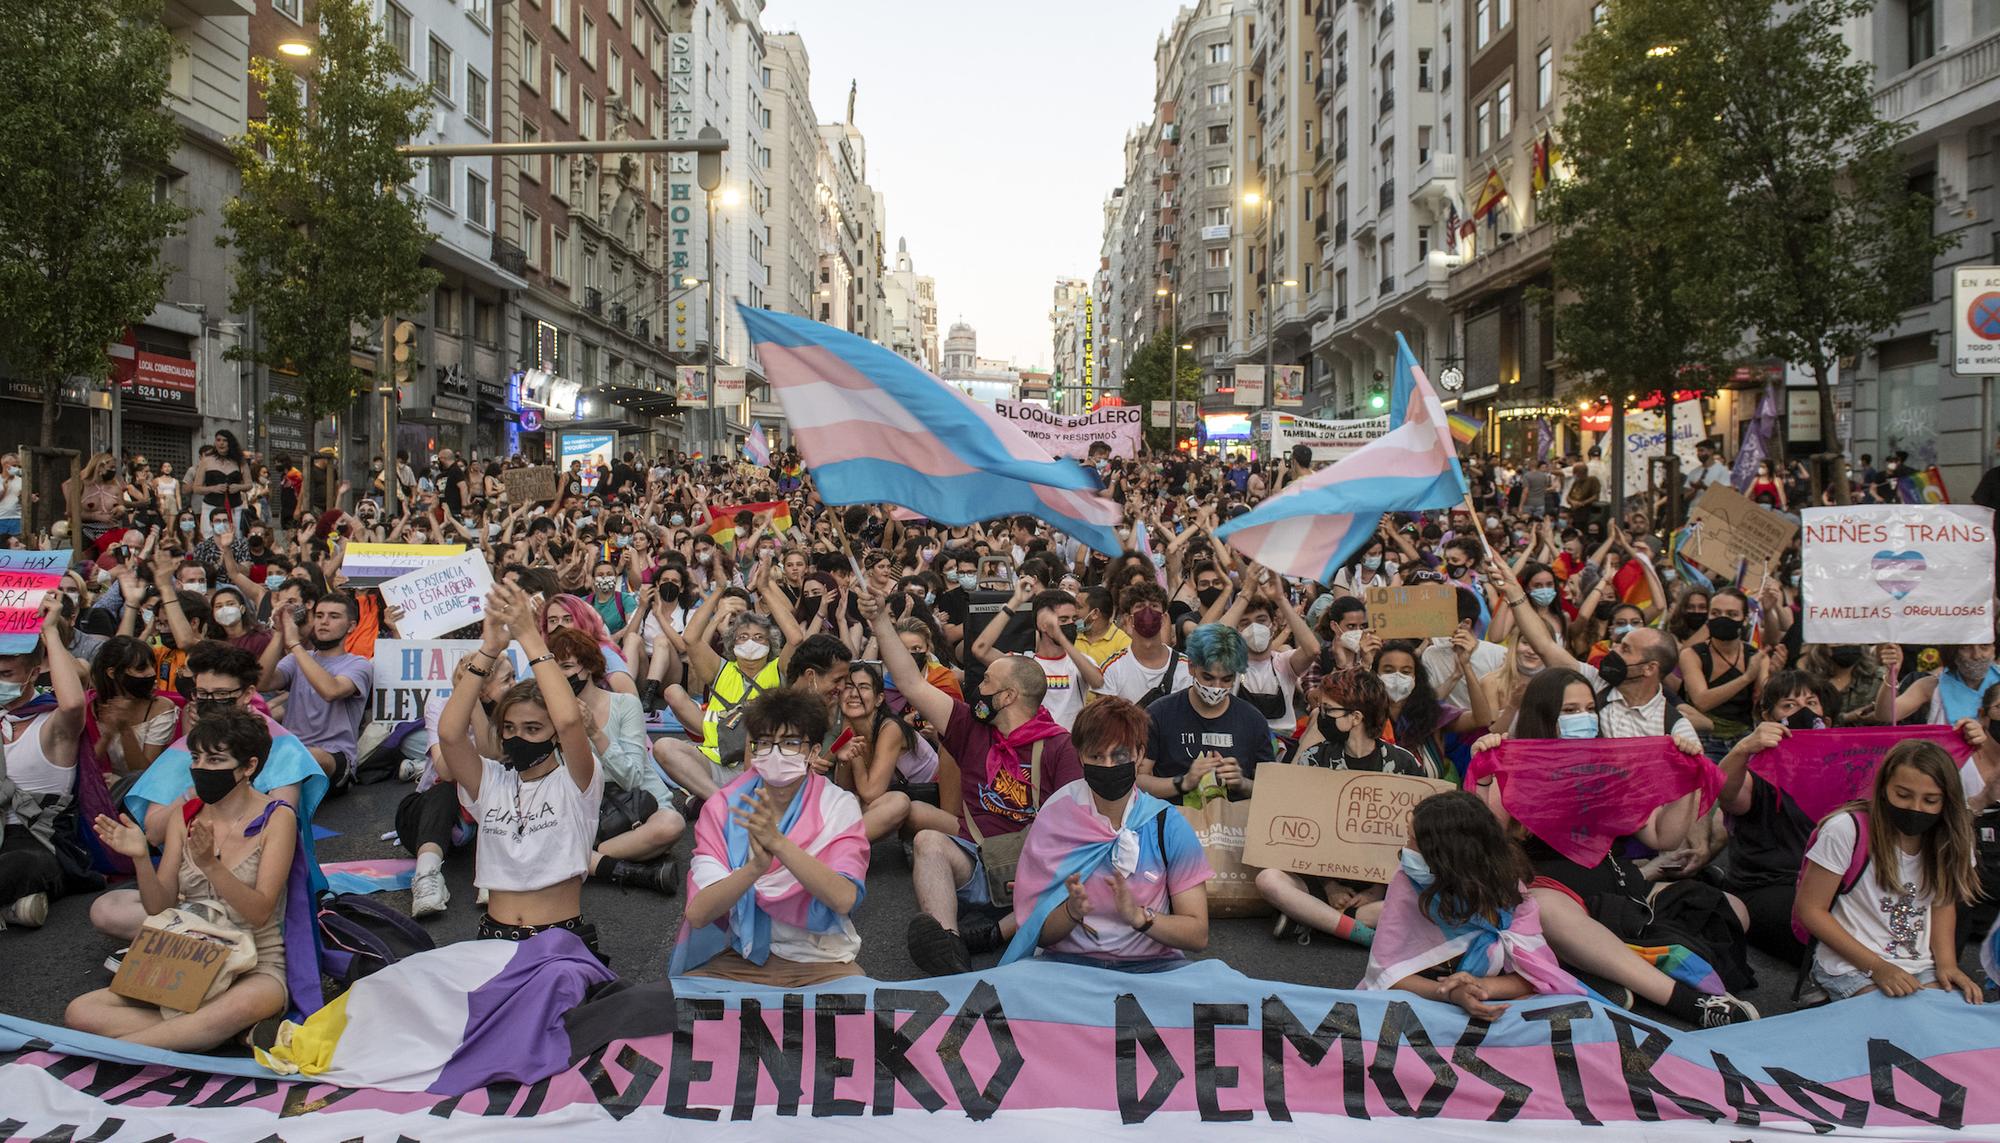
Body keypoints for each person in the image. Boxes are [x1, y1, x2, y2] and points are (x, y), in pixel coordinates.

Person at [865, 587, 1083, 976]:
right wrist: (881, 621)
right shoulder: (969, 726)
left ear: (1008, 696)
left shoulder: (1059, 747)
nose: (976, 690)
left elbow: (1075, 830)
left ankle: (995, 934)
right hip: (979, 866)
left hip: (1032, 874)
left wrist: (1042, 878)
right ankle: (949, 947)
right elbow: (912, 684)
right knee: (927, 840)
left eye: (986, 685)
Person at [70, 708, 295, 1050]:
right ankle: (223, 1033)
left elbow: (260, 912)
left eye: (215, 759)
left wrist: (211, 866)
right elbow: (158, 905)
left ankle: (116, 1051)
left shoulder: (277, 818)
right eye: (196, 757)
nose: (201, 768)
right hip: (189, 954)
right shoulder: (184, 817)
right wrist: (141, 858)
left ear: (248, 766)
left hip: (256, 962)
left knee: (243, 1004)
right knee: (81, 1012)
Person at [434, 582, 607, 962]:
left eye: (533, 729)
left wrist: (530, 636)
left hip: (560, 946)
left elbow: (568, 721)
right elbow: (449, 735)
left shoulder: (577, 782)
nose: (518, 737)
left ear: (554, 736)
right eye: (510, 729)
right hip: (492, 942)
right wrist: (489, 649)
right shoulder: (491, 781)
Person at [676, 688, 870, 985]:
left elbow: (844, 898)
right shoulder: (724, 807)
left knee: (857, 1016)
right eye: (764, 743)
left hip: (820, 960)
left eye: (790, 743)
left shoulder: (837, 805)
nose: (775, 753)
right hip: (742, 955)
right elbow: (699, 913)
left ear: (814, 752)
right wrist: (754, 868)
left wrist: (778, 843)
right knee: (673, 1010)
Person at [1001, 697, 1212, 970]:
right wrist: (1070, 912)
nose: (1109, 765)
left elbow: (1197, 933)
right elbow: (1037, 932)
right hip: (1069, 967)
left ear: (1139, 754)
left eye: (1120, 755)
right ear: (1080, 757)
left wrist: (1138, 917)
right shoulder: (1056, 817)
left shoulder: (1167, 824)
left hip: (1152, 968)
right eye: (1097, 756)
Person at [1359, 791, 1590, 1018]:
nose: (1405, 851)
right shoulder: (1408, 880)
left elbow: (1538, 976)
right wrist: (1451, 994)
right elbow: (1385, 975)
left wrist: (1479, 988)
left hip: (1496, 1003)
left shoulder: (1508, 892)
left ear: (1449, 856)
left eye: (1414, 842)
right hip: (1423, 1000)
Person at [1795, 740, 1984, 1004]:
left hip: (1917, 964)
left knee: (1950, 1020)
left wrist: (1948, 964)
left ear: (1946, 801)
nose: (1915, 808)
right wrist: (1878, 968)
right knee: (1897, 1020)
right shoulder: (1845, 829)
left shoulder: (1952, 838)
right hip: (1850, 964)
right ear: (1883, 789)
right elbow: (1810, 909)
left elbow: (1942, 904)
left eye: (1930, 800)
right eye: (1903, 795)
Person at [0, 597, 90, 928]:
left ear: (34, 673)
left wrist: (50, 631)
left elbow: (73, 705)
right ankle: (11, 910)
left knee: (21, 866)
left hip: (36, 839)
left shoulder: (51, 724)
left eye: (6, 673)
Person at [1141, 623, 1274, 802]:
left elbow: (1271, 788)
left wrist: (1241, 783)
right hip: (1175, 821)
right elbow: (1139, 779)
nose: (1216, 687)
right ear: (1191, 667)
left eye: (1227, 679)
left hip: (1233, 824)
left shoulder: (1253, 720)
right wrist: (1183, 782)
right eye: (1208, 677)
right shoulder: (1159, 714)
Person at [257, 590, 371, 787]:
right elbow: (262, 683)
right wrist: (279, 633)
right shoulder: (298, 658)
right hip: (291, 749)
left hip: (333, 757)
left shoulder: (359, 664)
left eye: (334, 616)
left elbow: (331, 691)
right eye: (319, 616)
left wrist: (294, 643)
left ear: (351, 627)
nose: (324, 621)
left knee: (306, 757)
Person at [1095, 581, 1189, 705]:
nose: (1147, 611)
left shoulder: (1186, 667)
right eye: (1140, 606)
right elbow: (1104, 719)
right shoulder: (1112, 669)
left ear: (1164, 618)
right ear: (1129, 620)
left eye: (1154, 606)